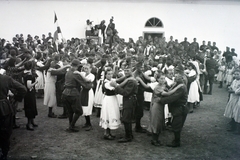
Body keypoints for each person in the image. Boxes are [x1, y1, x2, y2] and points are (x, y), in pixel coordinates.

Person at [137, 72, 183, 146]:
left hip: (160, 106)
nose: (163, 80)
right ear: (157, 79)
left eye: (164, 78)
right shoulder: (157, 87)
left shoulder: (163, 85)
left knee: (159, 122)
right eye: (161, 78)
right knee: (156, 122)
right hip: (156, 106)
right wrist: (177, 87)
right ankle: (154, 140)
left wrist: (173, 85)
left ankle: (156, 139)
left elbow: (168, 90)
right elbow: (167, 94)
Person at [0, 74, 27, 160]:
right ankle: (4, 154)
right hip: (4, 108)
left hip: (3, 108)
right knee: (5, 133)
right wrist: (16, 98)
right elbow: (23, 89)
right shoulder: (5, 78)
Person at [61, 59, 93, 132]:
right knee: (79, 111)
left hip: (65, 93)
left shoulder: (68, 71)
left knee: (70, 111)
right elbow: (84, 83)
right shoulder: (75, 73)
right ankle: (71, 126)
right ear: (77, 66)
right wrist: (90, 85)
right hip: (73, 93)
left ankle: (71, 125)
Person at [158, 73, 188, 147]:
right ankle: (176, 140)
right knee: (175, 123)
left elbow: (173, 97)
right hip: (177, 108)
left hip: (180, 108)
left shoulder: (181, 87)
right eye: (176, 76)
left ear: (182, 78)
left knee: (176, 125)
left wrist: (161, 100)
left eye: (178, 76)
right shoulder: (177, 84)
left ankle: (177, 142)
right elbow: (170, 90)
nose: (176, 77)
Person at [110, 65, 138, 143]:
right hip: (128, 99)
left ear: (131, 71)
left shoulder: (131, 81)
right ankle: (129, 135)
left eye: (127, 70)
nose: (126, 72)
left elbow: (125, 93)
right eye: (125, 70)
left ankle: (128, 136)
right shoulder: (128, 78)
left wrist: (116, 86)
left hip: (129, 99)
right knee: (127, 117)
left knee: (126, 118)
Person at [99, 67, 121, 140]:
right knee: (108, 114)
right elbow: (115, 87)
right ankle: (106, 133)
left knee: (111, 114)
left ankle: (109, 132)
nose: (110, 75)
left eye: (111, 74)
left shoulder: (112, 81)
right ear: (105, 75)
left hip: (113, 99)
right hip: (108, 100)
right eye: (108, 74)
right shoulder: (106, 83)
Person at [74, 63, 95, 131]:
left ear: (90, 69)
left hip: (88, 92)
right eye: (84, 68)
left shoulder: (92, 75)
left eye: (87, 68)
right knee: (83, 107)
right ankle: (87, 123)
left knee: (87, 107)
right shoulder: (82, 73)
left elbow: (87, 80)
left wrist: (80, 74)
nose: (85, 70)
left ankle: (89, 124)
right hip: (83, 91)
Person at [22, 61, 38, 131]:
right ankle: (29, 123)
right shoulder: (29, 75)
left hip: (27, 93)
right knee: (30, 107)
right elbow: (29, 86)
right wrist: (36, 82)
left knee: (31, 106)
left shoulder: (24, 73)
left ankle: (31, 121)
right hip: (29, 93)